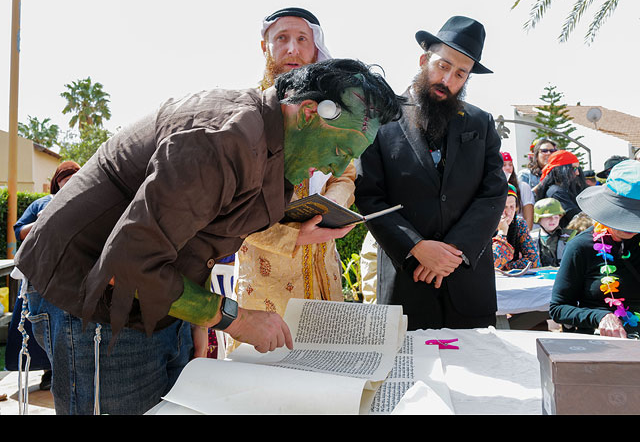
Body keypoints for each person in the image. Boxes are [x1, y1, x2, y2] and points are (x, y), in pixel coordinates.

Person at [13, 58, 405, 414]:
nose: (337, 164)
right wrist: (233, 318)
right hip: (91, 300)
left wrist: (194, 323)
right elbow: (128, 266)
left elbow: (197, 238)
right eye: (339, 148)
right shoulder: (224, 139)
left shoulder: (272, 145)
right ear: (307, 112)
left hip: (153, 300)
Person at [355, 15, 506, 331]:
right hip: (405, 283)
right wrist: (416, 247)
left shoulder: (480, 123)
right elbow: (369, 196)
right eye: (443, 65)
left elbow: (492, 192)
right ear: (424, 59)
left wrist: (453, 252)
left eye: (460, 73)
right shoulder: (380, 119)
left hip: (466, 283)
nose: (448, 79)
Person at [232, 8, 355, 337]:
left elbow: (345, 174)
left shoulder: (332, 114)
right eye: (282, 39)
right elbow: (227, 208)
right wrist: (293, 235)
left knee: (329, 375)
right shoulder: (245, 113)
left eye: (302, 39)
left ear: (315, 49)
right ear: (265, 48)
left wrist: (330, 208)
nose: (292, 49)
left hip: (324, 277)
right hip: (265, 289)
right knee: (264, 383)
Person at [5, 161, 81, 390]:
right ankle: (48, 372)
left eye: (75, 178)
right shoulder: (41, 204)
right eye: (65, 179)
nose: (70, 182)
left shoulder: (85, 202)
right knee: (39, 326)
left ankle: (72, 374)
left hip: (72, 276)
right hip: (40, 277)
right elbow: (19, 232)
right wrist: (44, 218)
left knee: (69, 327)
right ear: (57, 183)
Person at [549, 160, 640, 338]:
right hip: (603, 344)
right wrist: (601, 316)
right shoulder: (581, 246)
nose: (630, 226)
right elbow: (558, 308)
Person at [492, 184, 540, 271]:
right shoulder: (483, 226)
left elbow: (534, 261)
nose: (509, 212)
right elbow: (492, 264)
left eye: (512, 207)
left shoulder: (519, 223)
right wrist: (502, 233)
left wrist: (507, 266)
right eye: (504, 207)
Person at [537, 149, 586, 228]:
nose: (577, 173)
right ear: (561, 170)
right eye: (574, 168)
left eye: (578, 168)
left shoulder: (562, 189)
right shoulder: (556, 192)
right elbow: (577, 217)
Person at [530, 198, 575, 267]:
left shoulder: (571, 236)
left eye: (556, 217)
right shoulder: (530, 237)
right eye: (548, 217)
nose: (552, 220)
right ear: (538, 219)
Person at [501, 151, 534, 229]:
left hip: (518, 232)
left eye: (510, 165)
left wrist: (524, 236)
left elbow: (528, 218)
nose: (508, 168)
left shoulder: (523, 187)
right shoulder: (490, 188)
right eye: (504, 165)